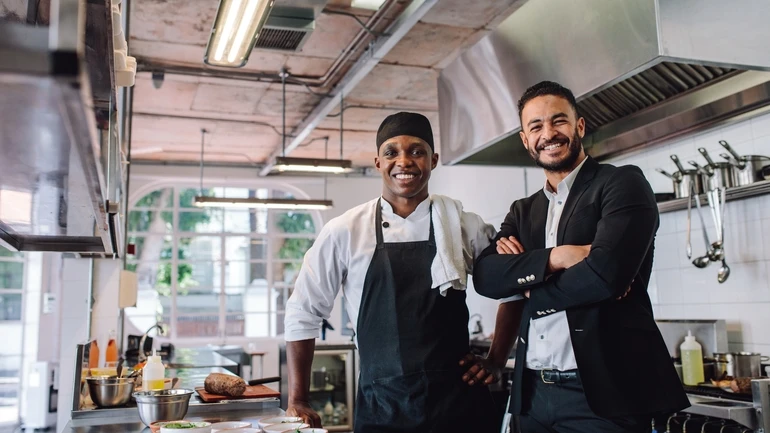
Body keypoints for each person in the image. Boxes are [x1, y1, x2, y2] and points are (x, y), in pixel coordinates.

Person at [473, 81, 689, 433]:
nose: (549, 134)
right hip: (531, 394)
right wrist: (557, 258)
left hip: (604, 398)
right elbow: (486, 277)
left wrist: (529, 287)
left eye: (559, 121)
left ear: (580, 127)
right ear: (526, 140)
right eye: (536, 126)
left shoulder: (621, 184)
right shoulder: (523, 212)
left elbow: (605, 274)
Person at [284, 112, 516, 432]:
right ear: (378, 162)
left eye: (416, 151)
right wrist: (298, 399)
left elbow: (514, 286)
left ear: (433, 160)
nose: (404, 161)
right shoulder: (345, 231)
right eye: (392, 152)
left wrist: (496, 358)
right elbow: (302, 311)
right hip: (383, 409)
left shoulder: (465, 224)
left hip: (459, 407)